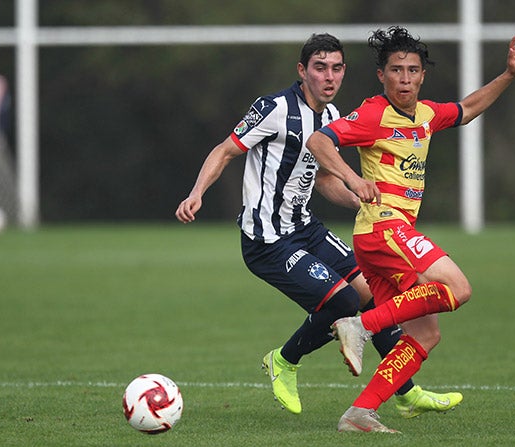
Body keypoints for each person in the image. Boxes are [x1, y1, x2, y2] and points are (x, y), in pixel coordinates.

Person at [175, 33, 461, 418]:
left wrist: (362, 200)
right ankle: (284, 360)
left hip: (305, 227)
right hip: (267, 239)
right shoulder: (274, 108)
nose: (329, 76)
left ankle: (405, 391)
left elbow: (325, 181)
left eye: (337, 68)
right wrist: (197, 192)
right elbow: (225, 149)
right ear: (302, 71)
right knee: (343, 300)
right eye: (320, 68)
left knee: (372, 293)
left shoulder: (331, 117)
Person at [306, 26, 515, 432]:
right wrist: (353, 180)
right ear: (382, 75)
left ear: (422, 75)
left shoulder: (426, 114)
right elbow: (319, 141)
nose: (405, 78)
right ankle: (361, 325)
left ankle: (359, 414)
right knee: (459, 288)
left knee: (426, 335)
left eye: (413, 70)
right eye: (396, 70)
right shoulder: (373, 113)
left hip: (382, 242)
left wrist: (510, 75)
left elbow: (467, 108)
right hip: (383, 228)